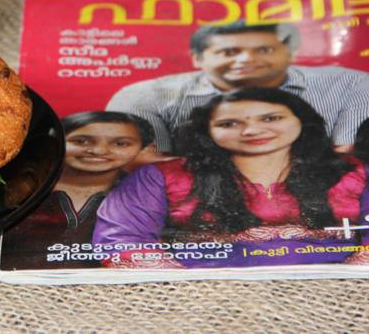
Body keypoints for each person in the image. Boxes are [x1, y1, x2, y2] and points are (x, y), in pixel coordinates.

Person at [93, 88, 369, 268]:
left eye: (271, 118)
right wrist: (189, 292)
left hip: (337, 300)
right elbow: (121, 241)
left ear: (302, 121)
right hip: (196, 303)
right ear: (206, 131)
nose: (251, 130)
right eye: (229, 123)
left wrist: (344, 285)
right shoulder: (158, 177)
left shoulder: (354, 172)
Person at [106, 21, 369, 154]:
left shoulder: (352, 83)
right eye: (229, 51)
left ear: (289, 52)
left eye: (264, 49)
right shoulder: (143, 95)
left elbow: (350, 158)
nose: (246, 60)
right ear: (197, 58)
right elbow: (142, 167)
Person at [0, 111, 154, 270]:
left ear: (145, 148)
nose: (98, 151)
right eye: (81, 141)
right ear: (58, 141)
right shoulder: (25, 188)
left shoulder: (149, 196)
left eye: (121, 144)